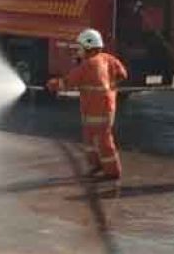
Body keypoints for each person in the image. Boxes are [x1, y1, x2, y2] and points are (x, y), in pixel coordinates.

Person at [47, 28, 128, 180]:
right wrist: (111, 86)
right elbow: (123, 74)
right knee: (91, 139)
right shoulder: (108, 59)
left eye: (80, 47)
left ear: (88, 47)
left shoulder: (88, 65)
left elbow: (68, 82)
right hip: (104, 108)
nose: (78, 50)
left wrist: (52, 84)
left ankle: (112, 172)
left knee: (102, 141)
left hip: (97, 111)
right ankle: (97, 165)